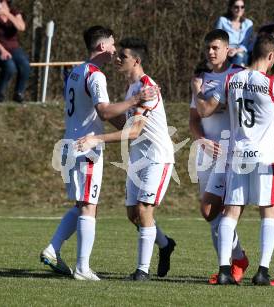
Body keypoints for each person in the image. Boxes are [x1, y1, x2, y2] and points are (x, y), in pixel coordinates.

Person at [194, 34, 274, 285]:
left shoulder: (231, 79)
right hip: (264, 156)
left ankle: (225, 270)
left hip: (238, 155)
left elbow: (206, 109)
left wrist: (198, 91)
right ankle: (262, 271)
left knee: (231, 212)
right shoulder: (271, 83)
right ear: (271, 56)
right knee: (268, 212)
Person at [40, 26, 154, 281]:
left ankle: (52, 249)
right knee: (89, 206)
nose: (116, 50)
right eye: (113, 45)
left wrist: (127, 128)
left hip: (70, 145)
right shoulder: (96, 75)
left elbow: (96, 113)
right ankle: (83, 268)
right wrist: (135, 101)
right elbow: (103, 111)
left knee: (81, 204)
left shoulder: (75, 72)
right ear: (103, 47)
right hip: (86, 148)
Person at [76, 37, 175, 282]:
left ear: (137, 61)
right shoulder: (132, 90)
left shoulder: (147, 88)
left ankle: (142, 270)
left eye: (124, 56)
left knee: (144, 209)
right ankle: (164, 244)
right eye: (118, 55)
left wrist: (97, 138)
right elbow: (125, 124)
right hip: (138, 157)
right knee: (133, 215)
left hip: (157, 157)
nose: (118, 59)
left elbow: (133, 132)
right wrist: (103, 113)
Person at [189, 29, 248, 284]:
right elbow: (193, 119)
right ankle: (234, 260)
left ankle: (233, 264)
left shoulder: (238, 75)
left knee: (214, 209)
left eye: (216, 47)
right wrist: (202, 140)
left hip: (231, 153)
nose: (211, 52)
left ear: (227, 49)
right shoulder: (200, 79)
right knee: (210, 214)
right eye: (208, 48)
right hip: (206, 153)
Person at [0, 0, 30, 103]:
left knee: (25, 64)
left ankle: (19, 93)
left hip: (14, 47)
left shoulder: (14, 12)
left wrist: (7, 14)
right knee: (9, 67)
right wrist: (2, 51)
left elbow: (21, 27)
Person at [215, 0, 253, 66]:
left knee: (239, 56)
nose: (239, 9)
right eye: (236, 7)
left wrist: (236, 51)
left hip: (241, 52)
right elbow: (217, 39)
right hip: (225, 51)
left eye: (242, 7)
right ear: (231, 8)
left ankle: (231, 75)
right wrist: (227, 49)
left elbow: (245, 44)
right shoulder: (222, 20)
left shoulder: (248, 23)